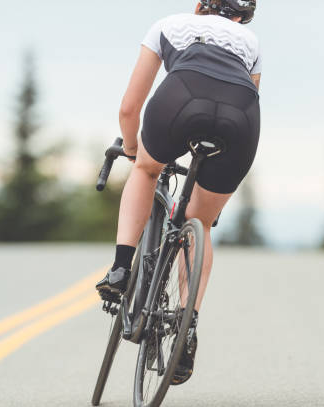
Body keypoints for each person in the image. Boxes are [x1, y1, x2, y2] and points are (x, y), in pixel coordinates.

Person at [96, 0, 261, 385]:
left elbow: (128, 107)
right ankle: (188, 326)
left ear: (201, 5)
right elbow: (248, 100)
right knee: (200, 223)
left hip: (179, 99)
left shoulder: (169, 25)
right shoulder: (250, 42)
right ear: (243, 16)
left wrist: (137, 152)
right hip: (241, 120)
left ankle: (121, 269)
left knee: (147, 170)